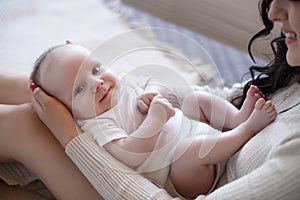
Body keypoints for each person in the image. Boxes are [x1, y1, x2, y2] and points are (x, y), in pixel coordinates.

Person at [0, 0, 299, 199]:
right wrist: (160, 95)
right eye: (81, 88)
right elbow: (218, 99)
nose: (273, 12)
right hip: (193, 139)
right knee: (41, 91)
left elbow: (132, 153)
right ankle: (239, 121)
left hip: (178, 179)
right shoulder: (294, 71)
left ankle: (242, 126)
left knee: (27, 119)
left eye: (96, 68)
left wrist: (68, 135)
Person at [29, 42, 275, 198]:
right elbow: (127, 152)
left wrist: (153, 92)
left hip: (195, 129)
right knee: (187, 151)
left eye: (95, 70)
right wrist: (153, 121)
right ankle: (246, 130)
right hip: (183, 175)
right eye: (79, 90)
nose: (97, 84)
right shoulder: (97, 124)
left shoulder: (120, 84)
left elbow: (160, 89)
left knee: (196, 98)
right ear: (68, 109)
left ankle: (236, 117)